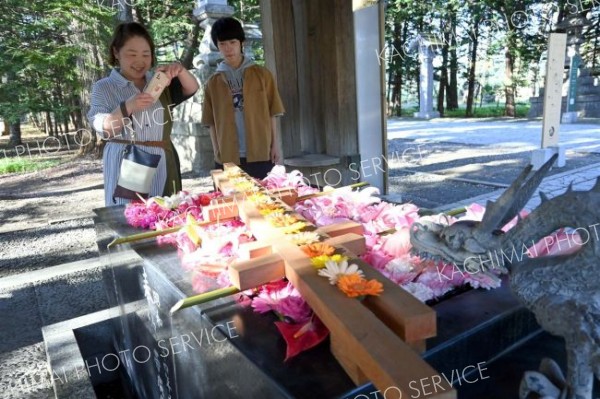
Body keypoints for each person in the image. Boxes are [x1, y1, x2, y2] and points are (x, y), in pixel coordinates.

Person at [88, 22, 199, 206]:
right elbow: (104, 129)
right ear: (116, 52)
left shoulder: (159, 82)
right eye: (132, 54)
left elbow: (191, 88)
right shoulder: (104, 87)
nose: (140, 61)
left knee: (166, 215)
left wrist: (179, 70)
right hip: (127, 162)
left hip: (163, 160)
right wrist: (128, 106)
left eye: (146, 54)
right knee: (130, 217)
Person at [201, 17, 285, 179]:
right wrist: (217, 152)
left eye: (232, 42)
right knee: (232, 202)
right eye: (222, 44)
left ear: (242, 42)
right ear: (217, 46)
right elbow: (210, 121)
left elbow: (272, 112)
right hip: (227, 155)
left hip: (260, 151)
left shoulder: (262, 75)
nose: (228, 49)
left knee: (265, 201)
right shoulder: (213, 82)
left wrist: (275, 146)